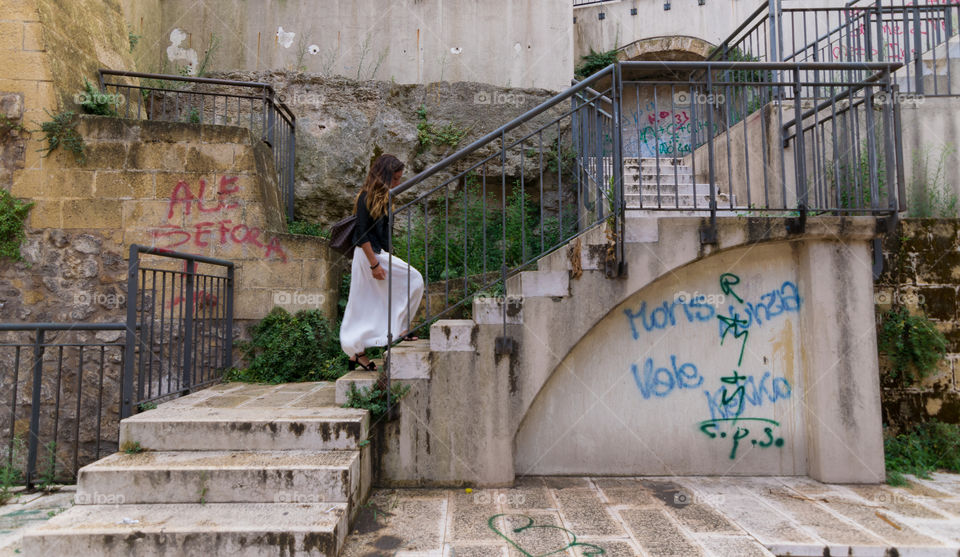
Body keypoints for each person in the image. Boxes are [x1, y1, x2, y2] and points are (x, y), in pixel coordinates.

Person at [339, 154, 425, 371]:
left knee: (409, 282)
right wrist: (374, 265)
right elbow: (361, 234)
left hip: (378, 255)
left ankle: (400, 329)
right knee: (362, 303)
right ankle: (357, 353)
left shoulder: (384, 198)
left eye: (399, 179)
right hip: (367, 256)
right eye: (395, 179)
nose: (397, 183)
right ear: (383, 176)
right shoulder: (365, 197)